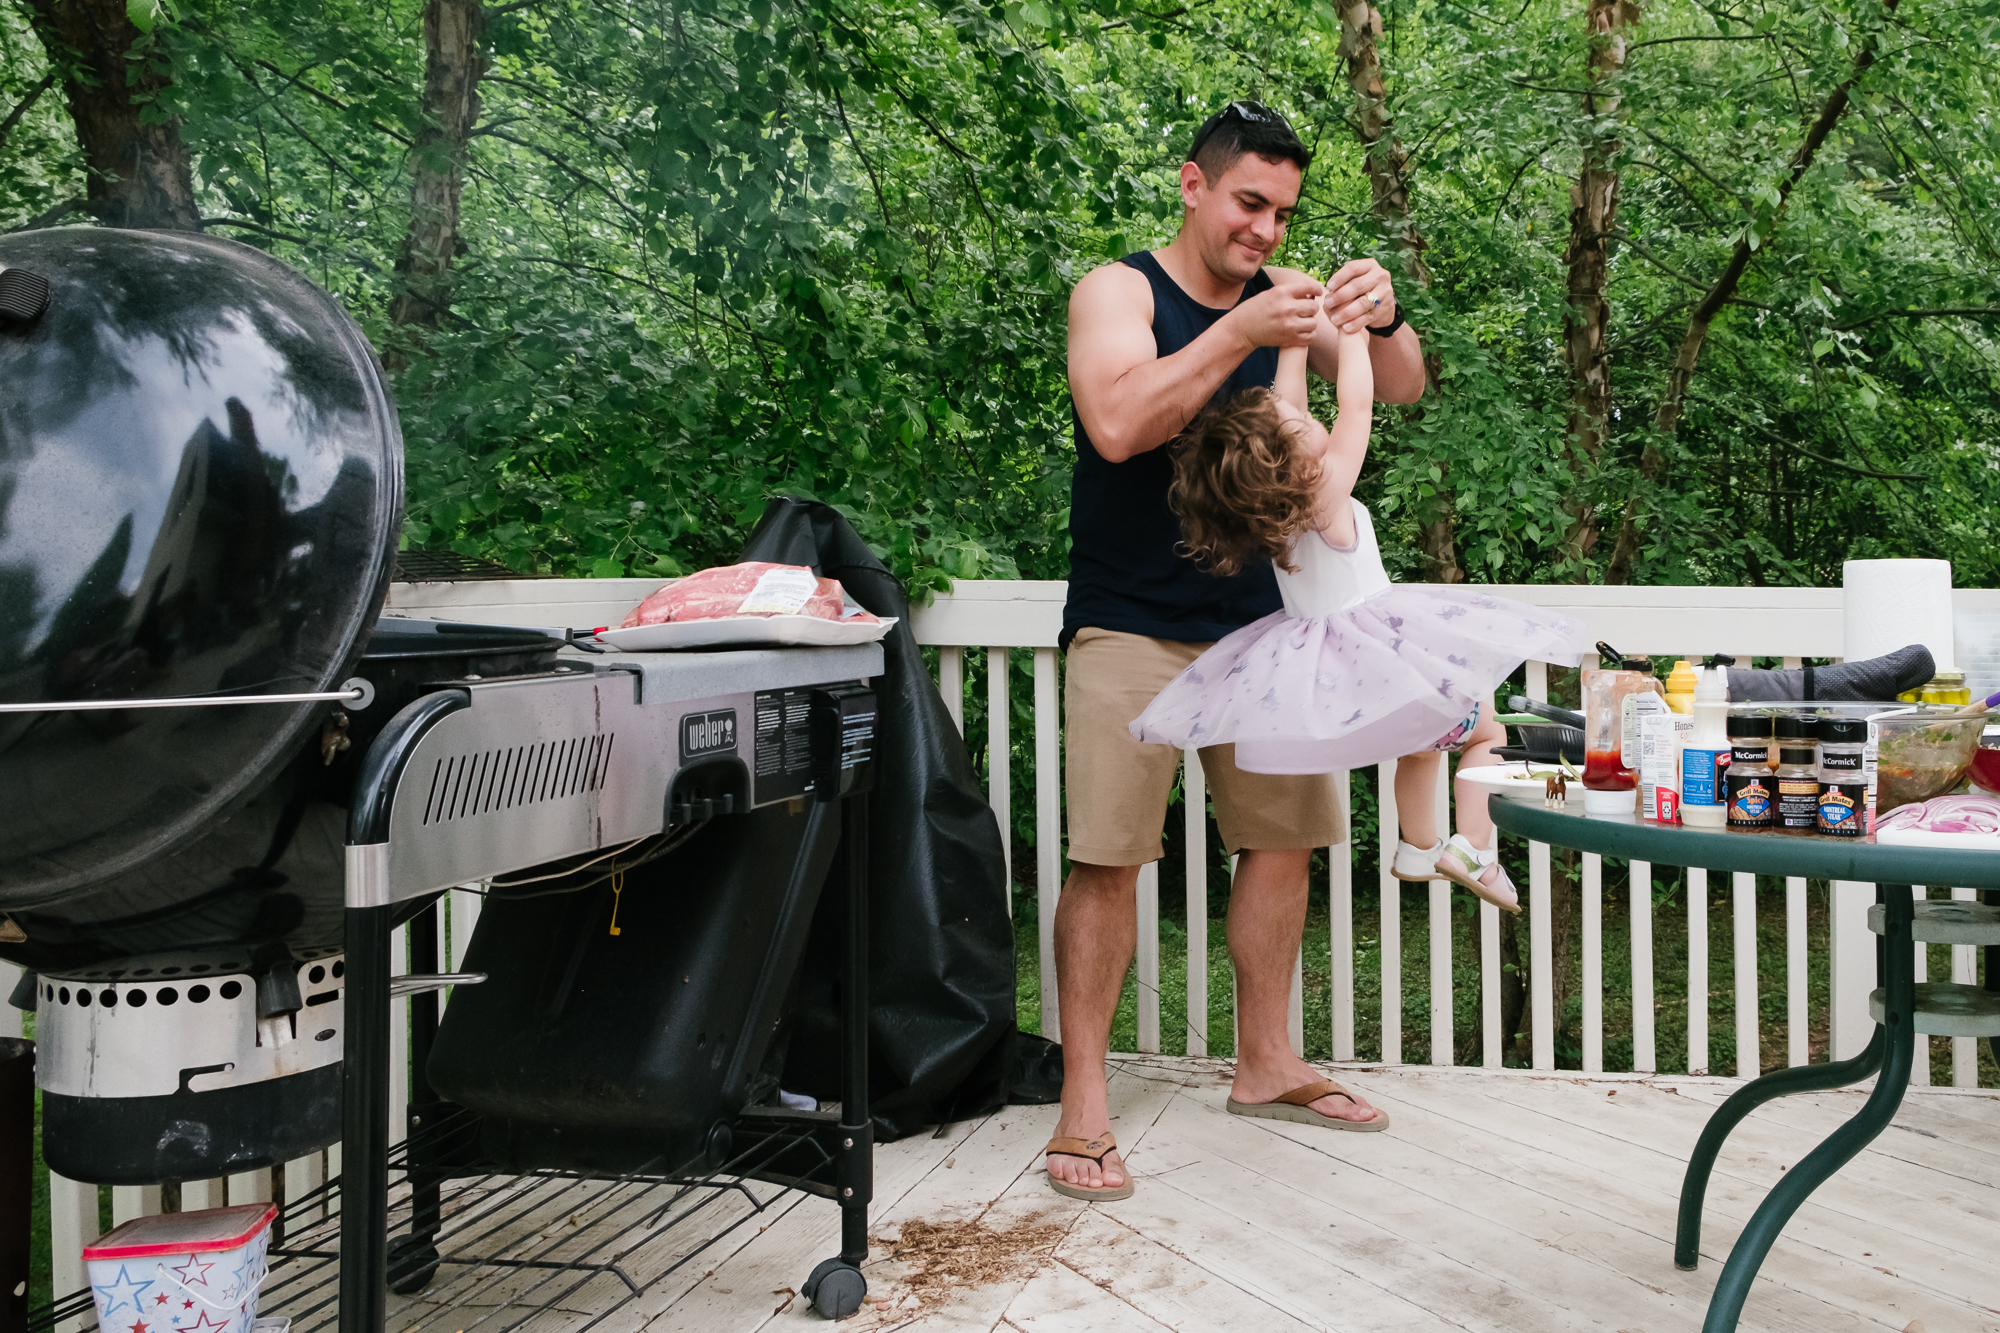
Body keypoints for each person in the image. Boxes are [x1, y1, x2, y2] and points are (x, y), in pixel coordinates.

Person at [1049, 99, 1427, 1202]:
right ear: (1192, 185)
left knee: (1282, 843)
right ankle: (1083, 1103)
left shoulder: (1281, 297)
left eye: (1282, 213)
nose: (1265, 230)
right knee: (1108, 855)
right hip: (1129, 618)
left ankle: (1263, 1062)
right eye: (1248, 203)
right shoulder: (1119, 290)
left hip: (1267, 626)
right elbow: (1117, 423)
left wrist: (1386, 314)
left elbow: (1397, 387)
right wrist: (1236, 335)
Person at [1128, 337, 1586, 920]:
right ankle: (1473, 848)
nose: (1306, 415)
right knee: (1482, 735)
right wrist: (1350, 336)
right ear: (1295, 456)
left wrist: (1292, 345)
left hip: (1349, 666)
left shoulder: (1276, 510)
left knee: (1421, 749)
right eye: (1300, 423)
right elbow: (1358, 407)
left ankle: (1420, 847)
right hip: (1383, 643)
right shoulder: (1327, 494)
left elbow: (1285, 400)